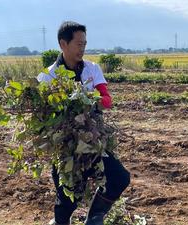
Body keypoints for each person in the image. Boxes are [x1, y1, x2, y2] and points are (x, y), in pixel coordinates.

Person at [37, 21, 130, 225]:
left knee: (119, 178)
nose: (83, 49)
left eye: (85, 44)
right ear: (63, 44)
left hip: (94, 141)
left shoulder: (92, 69)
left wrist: (90, 99)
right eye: (79, 44)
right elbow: (43, 118)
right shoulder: (47, 77)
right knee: (67, 200)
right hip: (65, 148)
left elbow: (107, 100)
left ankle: (95, 217)